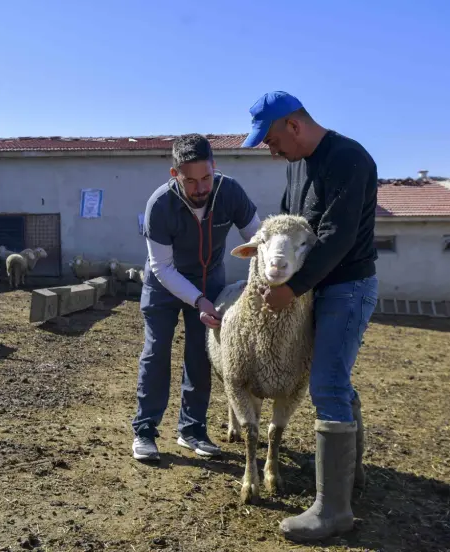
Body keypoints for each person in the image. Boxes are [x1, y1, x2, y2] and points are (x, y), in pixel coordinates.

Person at [241, 91, 379, 542]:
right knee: (335, 377)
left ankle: (333, 511)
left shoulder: (348, 159)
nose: (271, 150)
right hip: (316, 288)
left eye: (272, 140)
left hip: (346, 287)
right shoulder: (297, 165)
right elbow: (291, 225)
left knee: (327, 383)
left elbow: (337, 236)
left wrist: (291, 290)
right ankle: (351, 476)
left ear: (294, 126)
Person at [131, 133, 261, 462]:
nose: (201, 188)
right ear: (175, 174)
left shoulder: (231, 192)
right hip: (164, 282)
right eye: (190, 181)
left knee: (201, 354)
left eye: (206, 177)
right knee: (156, 351)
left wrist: (258, 283)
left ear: (214, 167)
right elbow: (162, 267)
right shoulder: (160, 205)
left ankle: (192, 430)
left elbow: (258, 241)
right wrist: (198, 301)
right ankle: (145, 430)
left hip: (210, 278)